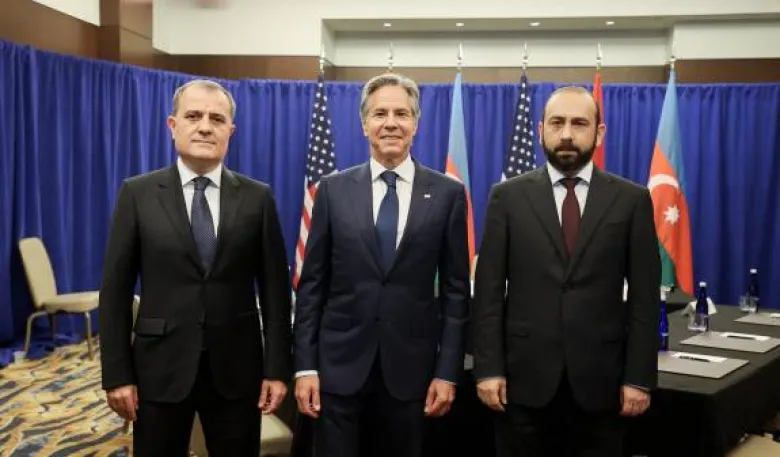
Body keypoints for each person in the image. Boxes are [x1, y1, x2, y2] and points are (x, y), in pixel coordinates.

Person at [98, 79, 292, 456]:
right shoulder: (137, 194)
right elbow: (116, 292)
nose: (205, 126)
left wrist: (276, 369)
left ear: (230, 131)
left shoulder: (258, 198)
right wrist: (117, 374)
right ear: (173, 126)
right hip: (159, 369)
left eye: (216, 119)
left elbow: (275, 294)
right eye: (193, 116)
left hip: (237, 370)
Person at [472, 86, 661, 457]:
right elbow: (489, 293)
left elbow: (644, 298)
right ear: (540, 130)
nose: (567, 134)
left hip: (602, 387)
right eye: (557, 123)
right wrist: (488, 369)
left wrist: (639, 378)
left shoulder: (632, 200)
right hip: (522, 385)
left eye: (579, 123)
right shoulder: (506, 197)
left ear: (599, 132)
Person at [292, 73, 470, 457]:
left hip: (412, 373)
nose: (391, 123)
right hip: (338, 371)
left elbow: (456, 293)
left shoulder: (448, 194)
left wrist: (447, 372)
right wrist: (305, 367)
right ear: (364, 124)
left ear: (416, 123)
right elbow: (312, 287)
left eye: (401, 114)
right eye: (380, 114)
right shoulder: (332, 190)